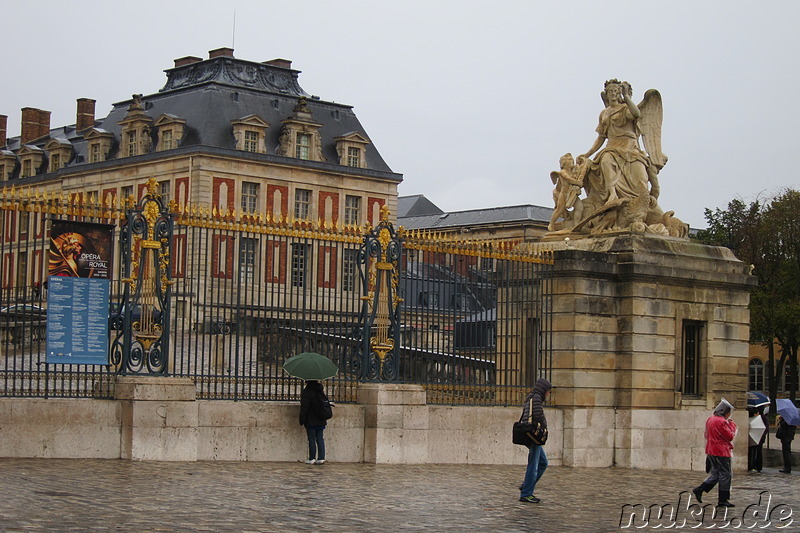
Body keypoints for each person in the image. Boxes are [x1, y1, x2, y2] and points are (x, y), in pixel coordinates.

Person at [692, 399, 737, 508]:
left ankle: (701, 489)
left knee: (717, 473)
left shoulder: (710, 419)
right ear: (725, 412)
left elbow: (706, 434)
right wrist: (732, 426)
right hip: (721, 451)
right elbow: (730, 436)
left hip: (711, 449)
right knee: (726, 474)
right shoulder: (722, 421)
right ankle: (723, 499)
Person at [519, 378, 551, 503]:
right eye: (547, 390)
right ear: (543, 389)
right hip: (534, 436)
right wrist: (545, 429)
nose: (548, 393)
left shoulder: (532, 397)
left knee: (543, 463)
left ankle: (526, 485)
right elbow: (538, 416)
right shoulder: (536, 398)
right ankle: (526, 493)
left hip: (530, 435)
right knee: (534, 465)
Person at [548, 153, 587, 231]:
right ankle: (551, 224)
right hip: (564, 195)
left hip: (572, 194)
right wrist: (577, 183)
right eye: (569, 160)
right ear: (564, 163)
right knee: (559, 210)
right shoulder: (563, 172)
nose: (572, 161)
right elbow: (568, 179)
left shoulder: (574, 171)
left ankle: (576, 225)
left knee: (579, 207)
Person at [299, 380, 329, 465]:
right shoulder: (320, 390)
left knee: (311, 439)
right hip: (321, 419)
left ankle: (312, 458)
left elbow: (304, 407)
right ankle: (321, 458)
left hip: (311, 420)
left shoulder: (307, 392)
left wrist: (302, 419)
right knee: (320, 438)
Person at [747, 406, 768, 472]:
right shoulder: (760, 417)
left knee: (757, 452)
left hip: (759, 437)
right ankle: (752, 465)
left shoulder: (762, 417)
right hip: (755, 436)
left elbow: (765, 428)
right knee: (752, 451)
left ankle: (757, 466)